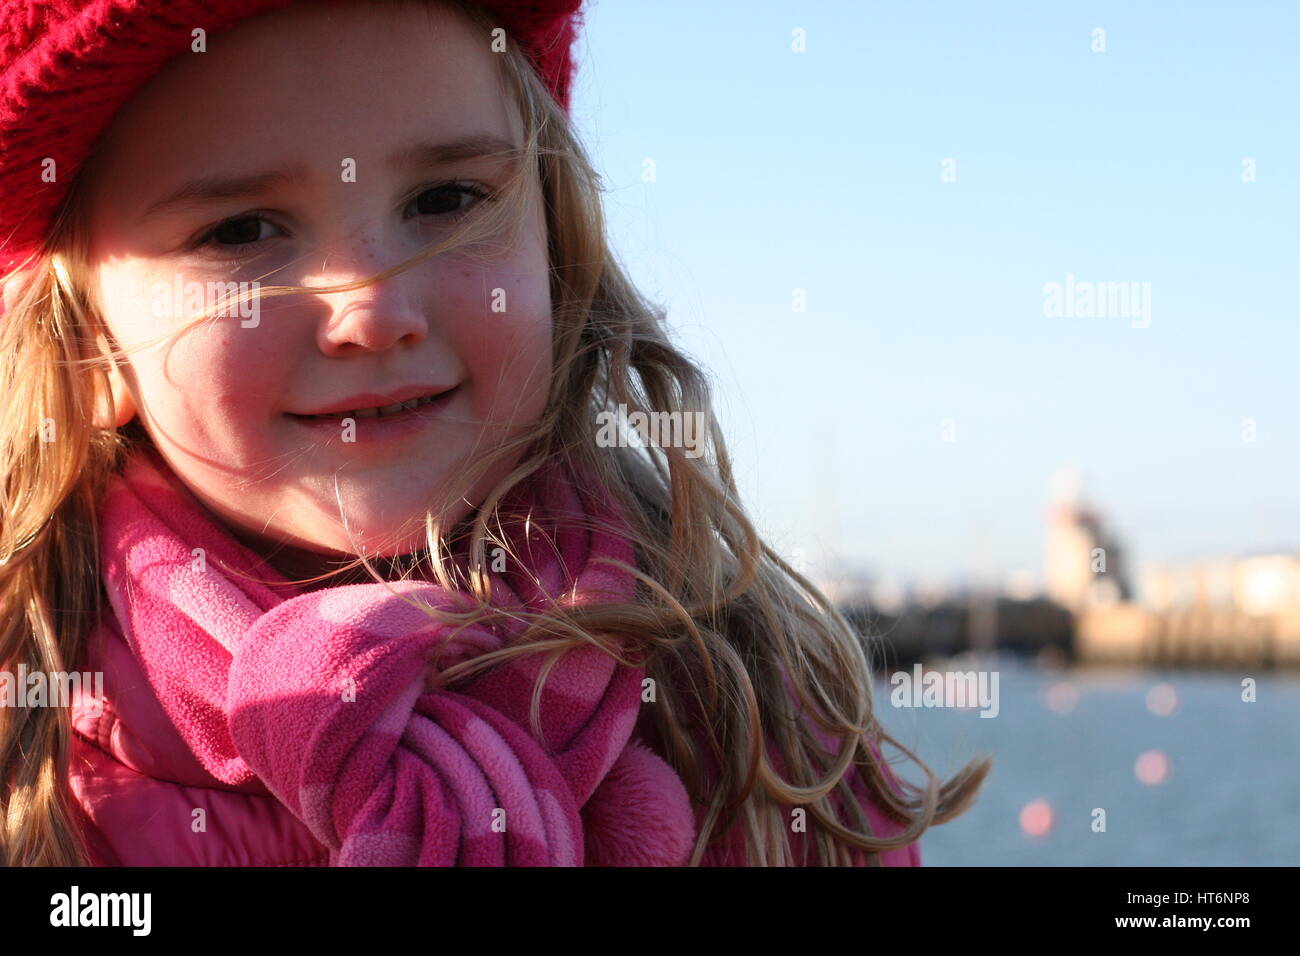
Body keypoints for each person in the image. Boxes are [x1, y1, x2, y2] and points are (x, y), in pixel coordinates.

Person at [0, 0, 990, 866]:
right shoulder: (36, 773)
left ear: (556, 243)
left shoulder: (748, 720)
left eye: (444, 200)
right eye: (242, 230)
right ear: (87, 337)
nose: (372, 310)